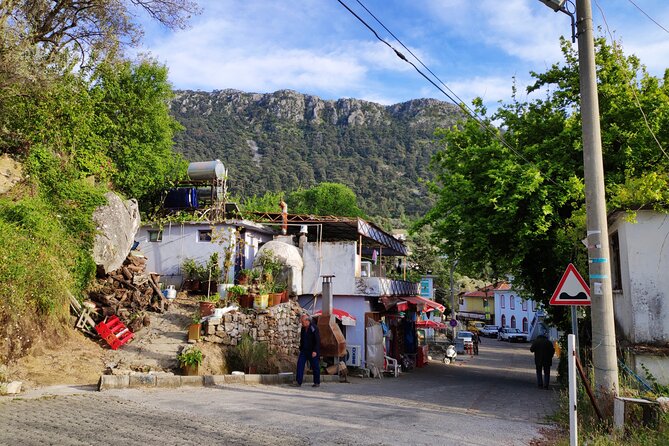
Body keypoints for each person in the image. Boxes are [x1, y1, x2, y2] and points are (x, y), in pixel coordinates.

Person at [295, 313, 321, 387]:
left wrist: (315, 351)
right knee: (300, 364)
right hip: (304, 350)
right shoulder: (303, 328)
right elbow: (302, 339)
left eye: (302, 322)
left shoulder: (314, 328)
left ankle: (317, 382)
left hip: (312, 351)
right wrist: (301, 347)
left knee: (315, 366)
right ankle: (298, 382)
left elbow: (317, 340)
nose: (302, 323)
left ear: (307, 321)